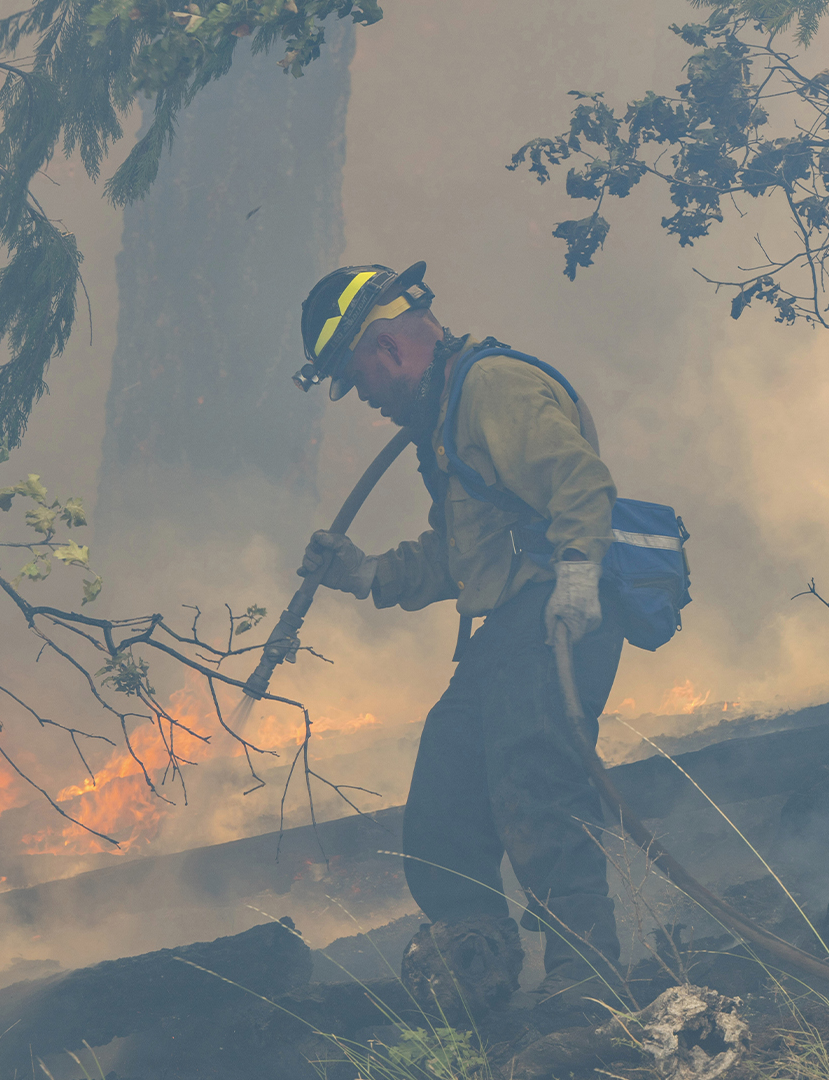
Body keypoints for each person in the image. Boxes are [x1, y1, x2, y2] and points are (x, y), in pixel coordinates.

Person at [290, 261, 626, 1015]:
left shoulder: (492, 388)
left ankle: (588, 984)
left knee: (539, 790)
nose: (366, 399)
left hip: (550, 617)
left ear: (385, 349)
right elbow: (460, 551)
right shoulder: (444, 416)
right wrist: (369, 572)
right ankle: (475, 976)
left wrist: (577, 580)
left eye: (357, 378)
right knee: (444, 802)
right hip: (505, 630)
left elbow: (579, 484)